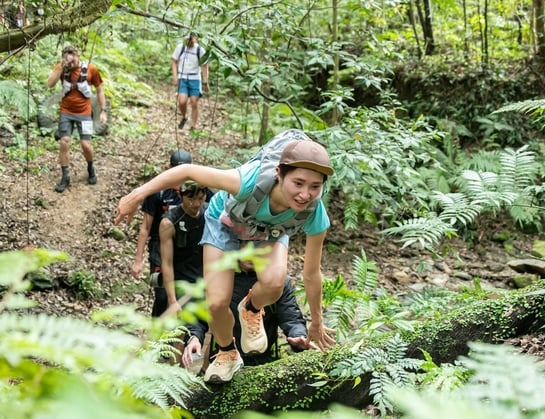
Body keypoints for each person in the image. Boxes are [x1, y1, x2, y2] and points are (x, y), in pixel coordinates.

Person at [115, 129, 337, 384]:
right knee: (217, 302)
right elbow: (187, 171)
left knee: (276, 283)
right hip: (226, 222)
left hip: (270, 232)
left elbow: (311, 274)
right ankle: (226, 353)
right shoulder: (247, 182)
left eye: (315, 187)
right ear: (279, 174)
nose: (305, 194)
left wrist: (317, 323)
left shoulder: (313, 211)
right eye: (298, 183)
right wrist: (136, 195)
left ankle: (251, 309)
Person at [181, 264, 318, 373]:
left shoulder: (277, 283)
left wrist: (298, 335)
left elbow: (291, 318)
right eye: (245, 243)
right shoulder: (218, 277)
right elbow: (198, 315)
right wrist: (194, 337)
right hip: (221, 360)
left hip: (264, 362)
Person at [131, 150, 200, 317]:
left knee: (188, 295)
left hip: (187, 249)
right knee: (162, 296)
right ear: (168, 168)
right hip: (158, 249)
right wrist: (138, 260)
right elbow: (145, 227)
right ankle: (156, 334)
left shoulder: (197, 191)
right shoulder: (158, 192)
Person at [47, 45, 107, 193]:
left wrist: (103, 111)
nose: (71, 65)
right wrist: (62, 67)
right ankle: (65, 176)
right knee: (64, 142)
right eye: (68, 62)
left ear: (78, 56)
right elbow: (50, 84)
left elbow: (99, 90)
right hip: (66, 111)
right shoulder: (62, 68)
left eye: (73, 61)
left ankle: (90, 167)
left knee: (86, 145)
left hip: (84, 113)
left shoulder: (91, 70)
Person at [160, 181, 209, 314]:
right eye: (191, 199)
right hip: (181, 282)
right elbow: (167, 263)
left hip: (206, 281)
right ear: (180, 195)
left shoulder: (210, 213)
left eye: (200, 198)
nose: (197, 204)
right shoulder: (169, 222)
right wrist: (172, 300)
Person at [171, 32, 209, 131]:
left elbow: (205, 65)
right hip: (182, 77)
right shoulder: (180, 47)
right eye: (187, 39)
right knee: (182, 101)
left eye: (191, 39)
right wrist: (175, 76)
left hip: (195, 79)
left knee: (194, 102)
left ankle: (193, 125)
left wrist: (205, 82)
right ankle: (184, 117)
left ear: (195, 39)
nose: (189, 41)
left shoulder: (200, 50)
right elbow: (174, 61)